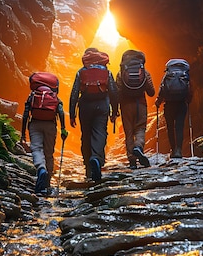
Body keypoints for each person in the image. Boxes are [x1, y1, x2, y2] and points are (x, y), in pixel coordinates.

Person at [69, 47, 118, 182]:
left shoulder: (81, 72)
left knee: (86, 135)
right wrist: (115, 111)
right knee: (100, 132)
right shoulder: (106, 72)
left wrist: (72, 113)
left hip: (85, 105)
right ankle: (96, 158)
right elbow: (113, 92)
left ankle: (88, 169)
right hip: (102, 105)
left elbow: (74, 93)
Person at [21, 72, 68, 195]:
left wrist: (22, 134)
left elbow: (26, 113)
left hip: (35, 124)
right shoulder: (54, 97)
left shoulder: (33, 95)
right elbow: (61, 112)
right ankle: (47, 182)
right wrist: (63, 129)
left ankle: (41, 169)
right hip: (50, 125)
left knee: (36, 149)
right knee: (49, 153)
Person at [116, 49, 155, 169]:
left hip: (126, 105)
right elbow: (151, 92)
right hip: (141, 104)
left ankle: (132, 161)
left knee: (128, 133)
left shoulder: (121, 73)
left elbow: (117, 92)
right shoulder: (144, 72)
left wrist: (115, 108)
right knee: (140, 130)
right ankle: (138, 146)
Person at [155, 58, 192, 158]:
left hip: (169, 104)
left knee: (170, 128)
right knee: (179, 127)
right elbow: (190, 88)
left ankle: (173, 150)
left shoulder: (167, 75)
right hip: (181, 104)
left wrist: (158, 101)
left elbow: (162, 89)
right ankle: (179, 150)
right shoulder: (185, 75)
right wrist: (188, 100)